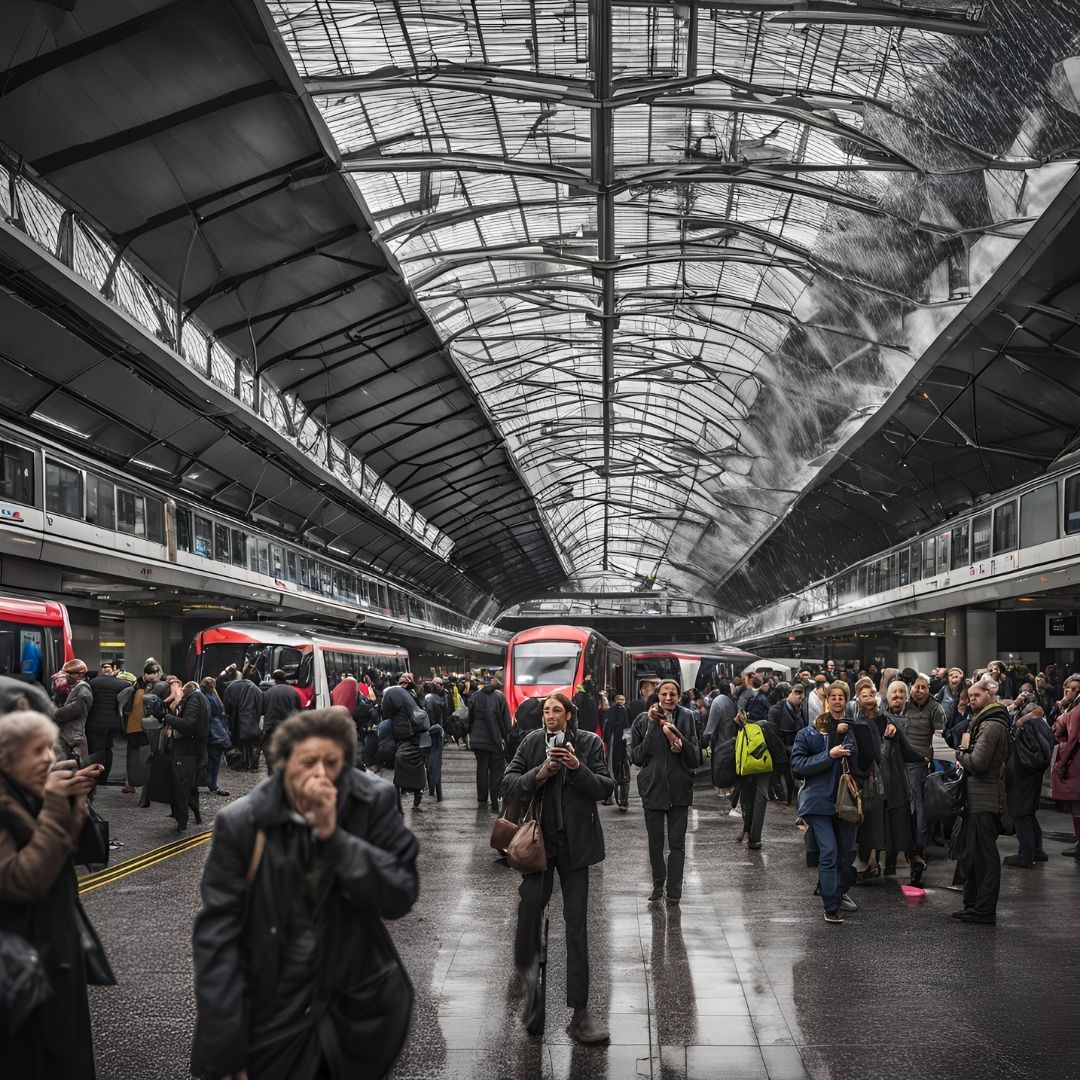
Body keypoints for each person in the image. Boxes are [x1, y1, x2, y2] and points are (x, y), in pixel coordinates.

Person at [191, 707, 418, 1080]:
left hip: (356, 1006)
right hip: (276, 1009)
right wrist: (225, 1048)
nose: (320, 773)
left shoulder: (373, 800)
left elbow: (399, 894)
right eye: (307, 761)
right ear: (281, 764)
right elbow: (219, 936)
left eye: (332, 762)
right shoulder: (241, 822)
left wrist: (335, 839)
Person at [0, 709, 111, 1079]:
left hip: (52, 954)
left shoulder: (27, 792)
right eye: (37, 752)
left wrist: (73, 800)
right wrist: (52, 805)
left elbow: (78, 854)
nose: (49, 759)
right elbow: (24, 881)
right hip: (21, 963)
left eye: (49, 749)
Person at [502, 692, 613, 1045]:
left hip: (576, 848)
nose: (549, 715)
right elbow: (509, 782)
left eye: (556, 711)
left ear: (569, 715)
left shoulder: (589, 743)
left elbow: (605, 788)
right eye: (545, 711)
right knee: (531, 912)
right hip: (539, 845)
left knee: (576, 925)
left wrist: (576, 769)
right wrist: (541, 772)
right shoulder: (532, 742)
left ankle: (579, 1015)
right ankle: (533, 996)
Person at [791, 681, 859, 924]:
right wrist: (828, 754)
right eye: (834, 696)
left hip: (846, 801)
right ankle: (831, 906)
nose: (838, 700)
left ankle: (837, 894)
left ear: (847, 701)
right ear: (826, 700)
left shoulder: (854, 729)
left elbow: (866, 763)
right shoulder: (808, 733)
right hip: (818, 801)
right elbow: (798, 767)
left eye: (842, 696)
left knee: (844, 854)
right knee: (829, 851)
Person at [629, 679, 701, 904]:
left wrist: (678, 740)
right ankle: (658, 884)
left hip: (680, 788)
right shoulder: (642, 721)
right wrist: (653, 727)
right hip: (653, 788)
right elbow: (637, 757)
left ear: (679, 697)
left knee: (677, 843)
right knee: (656, 842)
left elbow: (695, 758)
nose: (668, 698)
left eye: (673, 694)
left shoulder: (687, 717)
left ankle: (674, 892)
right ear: (658, 696)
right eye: (664, 694)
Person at [952, 676, 1010, 925]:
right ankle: (974, 904)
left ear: (990, 695)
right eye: (970, 695)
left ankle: (984, 909)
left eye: (977, 695)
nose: (972, 699)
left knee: (985, 858)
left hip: (985, 800)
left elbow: (977, 763)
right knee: (975, 856)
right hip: (979, 799)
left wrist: (958, 754)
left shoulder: (992, 725)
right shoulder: (984, 722)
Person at [1004, 692, 1053, 868]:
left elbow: (1029, 751)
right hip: (1032, 774)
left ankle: (1025, 855)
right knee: (1029, 812)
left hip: (1023, 773)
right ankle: (1037, 850)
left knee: (1020, 813)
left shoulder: (1029, 722)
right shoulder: (1041, 722)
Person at [733, 706, 787, 851]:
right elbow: (779, 751)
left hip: (746, 768)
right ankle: (755, 839)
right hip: (764, 768)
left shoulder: (743, 728)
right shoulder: (765, 727)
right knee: (761, 798)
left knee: (746, 800)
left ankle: (747, 828)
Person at [903, 673, 942, 866]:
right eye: (916, 687)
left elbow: (939, 737)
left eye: (923, 687)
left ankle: (919, 848)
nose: (919, 691)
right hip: (901, 761)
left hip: (920, 764)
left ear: (929, 689)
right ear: (911, 688)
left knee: (919, 807)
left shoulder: (936, 708)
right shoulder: (904, 705)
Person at [466, 670, 512, 812]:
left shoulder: (474, 696)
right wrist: (506, 738)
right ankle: (494, 800)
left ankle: (482, 798)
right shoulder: (500, 697)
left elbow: (469, 719)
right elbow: (506, 723)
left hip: (477, 740)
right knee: (496, 771)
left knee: (481, 768)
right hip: (494, 740)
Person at [167, 682, 209, 832]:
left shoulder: (193, 699)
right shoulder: (199, 697)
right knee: (190, 785)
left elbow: (188, 724)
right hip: (193, 748)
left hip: (186, 748)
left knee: (181, 785)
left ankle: (181, 820)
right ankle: (194, 815)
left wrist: (167, 718)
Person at [383, 674, 427, 810]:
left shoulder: (391, 694)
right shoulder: (412, 696)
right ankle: (418, 791)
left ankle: (400, 797)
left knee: (399, 765)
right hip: (415, 735)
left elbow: (386, 714)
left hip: (401, 737)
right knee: (417, 764)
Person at [1051, 677, 1080, 857]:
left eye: (1071, 689)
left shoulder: (1076, 710)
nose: (1068, 692)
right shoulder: (1072, 708)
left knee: (1077, 806)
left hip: (1076, 762)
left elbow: (1073, 740)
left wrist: (1062, 765)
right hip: (1075, 759)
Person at [85, 662, 126, 782]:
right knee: (109, 749)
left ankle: (95, 777)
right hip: (113, 722)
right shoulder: (123, 684)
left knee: (95, 750)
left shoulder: (90, 683)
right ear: (113, 670)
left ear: (102, 670)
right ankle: (104, 777)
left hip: (94, 723)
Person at [768, 681, 805, 805]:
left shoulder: (801, 708)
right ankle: (781, 796)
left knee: (789, 775)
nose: (799, 696)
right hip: (781, 746)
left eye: (801, 694)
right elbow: (772, 731)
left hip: (795, 746)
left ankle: (788, 797)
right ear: (789, 693)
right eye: (796, 693)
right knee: (780, 773)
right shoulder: (776, 710)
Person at [51, 658, 92, 763]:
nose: (63, 677)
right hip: (63, 737)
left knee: (77, 771)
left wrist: (51, 712)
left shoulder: (83, 689)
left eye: (67, 675)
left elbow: (70, 712)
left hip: (74, 739)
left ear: (79, 675)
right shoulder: (66, 688)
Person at [222, 669, 264, 771]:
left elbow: (227, 707)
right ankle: (252, 764)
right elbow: (261, 708)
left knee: (240, 742)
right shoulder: (256, 689)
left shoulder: (231, 688)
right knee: (251, 744)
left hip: (236, 722)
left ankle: (240, 764)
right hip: (252, 722)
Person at [262, 669, 302, 775]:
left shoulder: (268, 692)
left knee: (270, 752)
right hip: (287, 727)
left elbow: (263, 709)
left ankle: (272, 774)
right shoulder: (293, 691)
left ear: (274, 679)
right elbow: (298, 711)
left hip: (271, 728)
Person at [200, 676, 230, 797]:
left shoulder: (201, 696)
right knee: (215, 759)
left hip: (206, 731)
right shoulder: (213, 699)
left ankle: (206, 781)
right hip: (214, 731)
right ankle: (213, 784)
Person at [602, 691, 632, 810]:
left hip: (616, 742)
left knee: (614, 768)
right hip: (621, 743)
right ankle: (622, 799)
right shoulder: (622, 710)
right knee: (622, 771)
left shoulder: (613, 710)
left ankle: (614, 797)